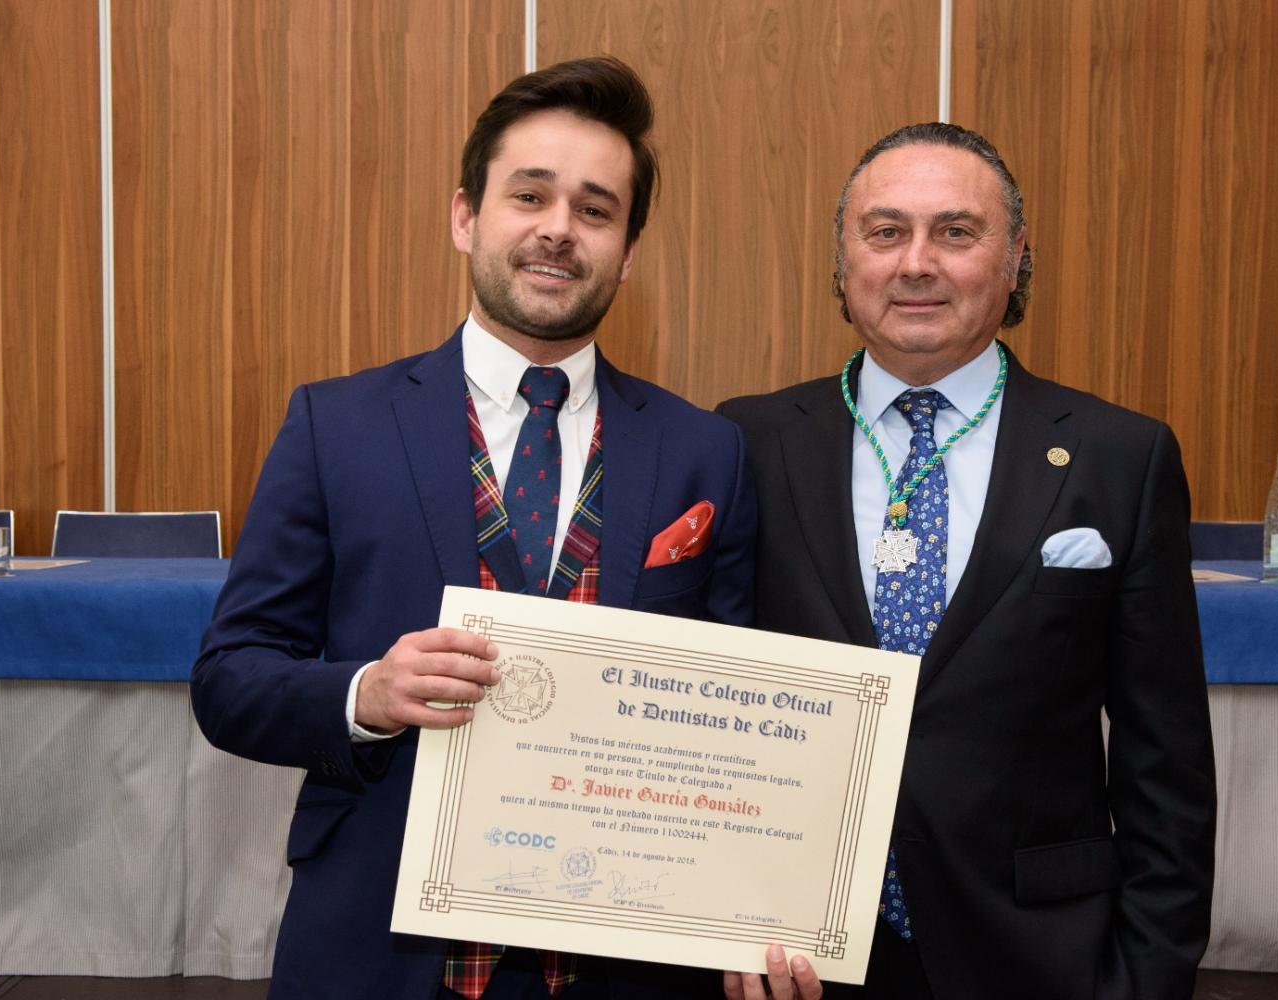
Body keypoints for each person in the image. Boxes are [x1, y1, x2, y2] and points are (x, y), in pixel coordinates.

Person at [193, 56, 818, 1000]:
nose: (558, 228)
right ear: (465, 217)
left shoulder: (705, 453)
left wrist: (751, 910)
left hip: (624, 965)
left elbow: (739, 724)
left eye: (596, 210)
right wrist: (367, 693)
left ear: (628, 251)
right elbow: (229, 679)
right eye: (530, 195)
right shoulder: (336, 426)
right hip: (380, 948)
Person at [717, 123, 1217, 999]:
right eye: (885, 232)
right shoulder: (747, 443)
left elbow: (1165, 760)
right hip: (798, 956)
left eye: (955, 231)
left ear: (1016, 259)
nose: (916, 263)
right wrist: (717, 917)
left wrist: (1146, 978)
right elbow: (708, 703)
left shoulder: (1118, 456)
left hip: (1039, 955)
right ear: (842, 263)